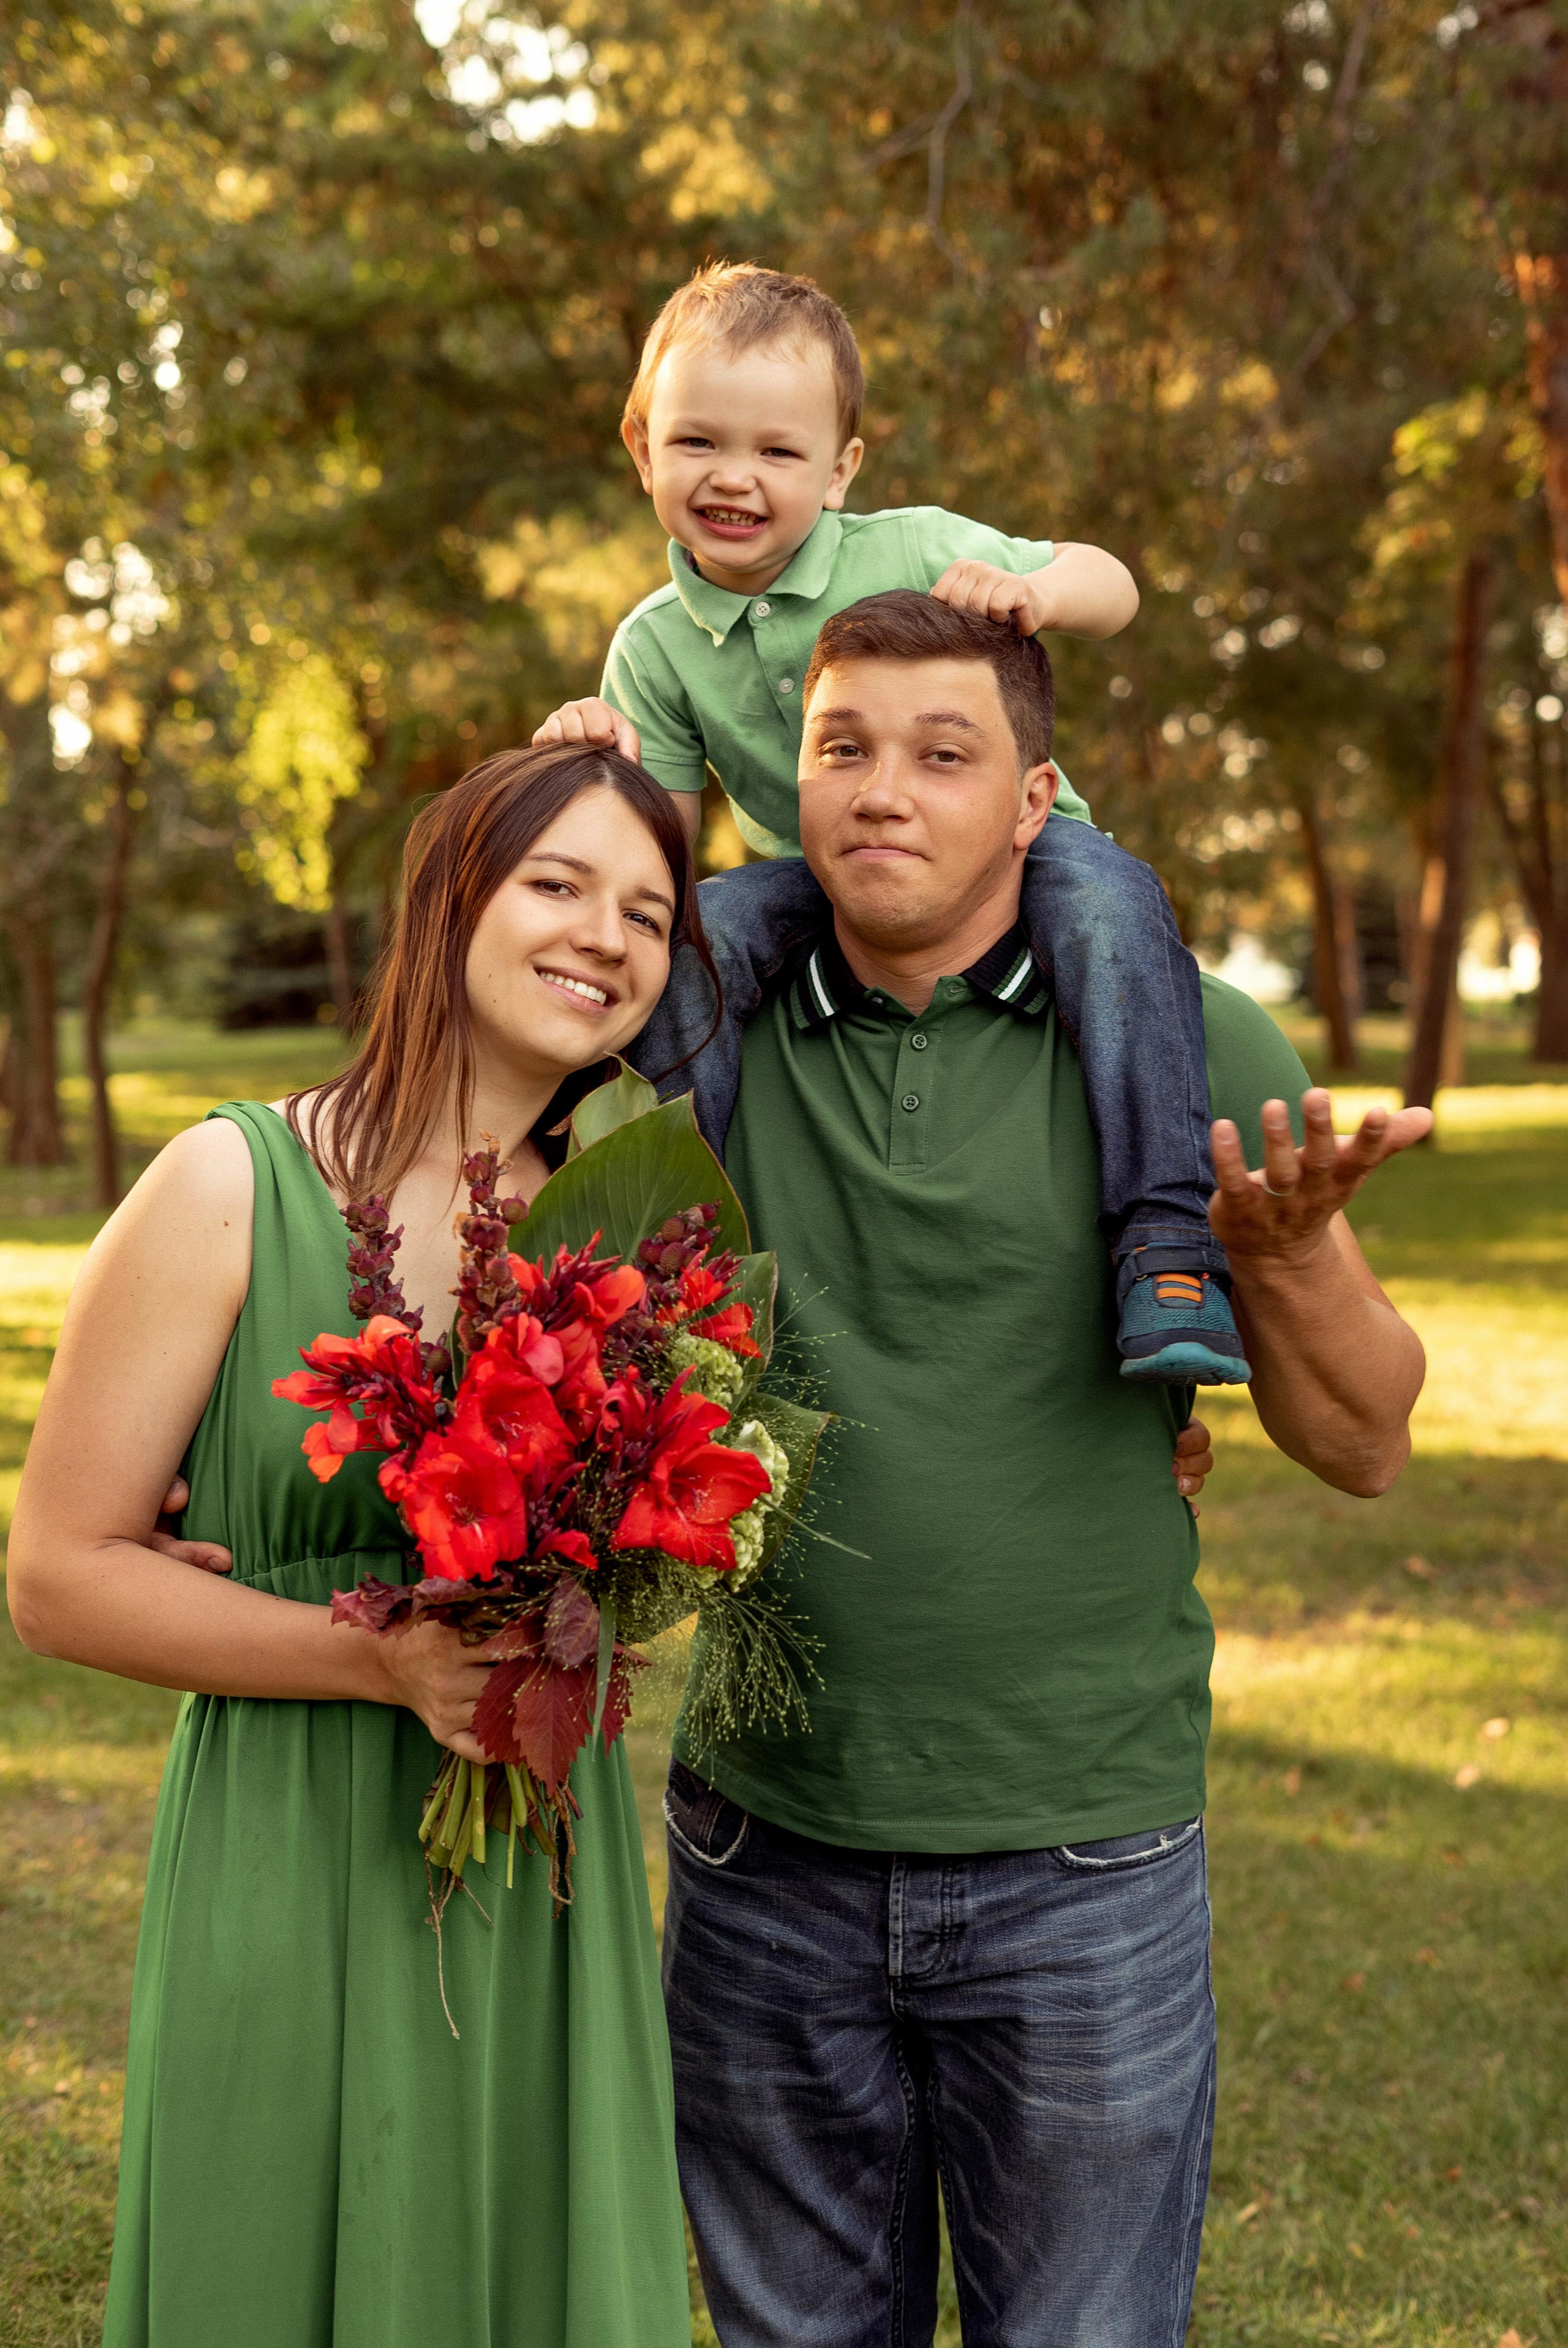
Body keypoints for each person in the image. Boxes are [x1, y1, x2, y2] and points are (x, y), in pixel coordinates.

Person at [628, 591, 1431, 2348]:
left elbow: (1365, 1441)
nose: (883, 793)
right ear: (786, 783)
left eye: (944, 754)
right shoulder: (695, 1040)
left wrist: (1282, 1258)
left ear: (1034, 799)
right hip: (763, 1843)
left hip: (1082, 1862)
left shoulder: (1190, 1044)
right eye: (841, 748)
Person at [6, 749, 701, 2348]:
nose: (607, 933)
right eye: (558, 883)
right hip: (291, 1843)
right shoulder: (229, 1184)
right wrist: (375, 1657)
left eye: (649, 913)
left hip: (538, 1863)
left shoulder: (618, 1239)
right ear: (449, 898)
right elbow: (54, 1575)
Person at [533, 260, 1250, 1386]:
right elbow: (654, 864)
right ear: (640, 448)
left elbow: (1113, 581)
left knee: (1118, 910)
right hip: (824, 874)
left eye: (778, 452)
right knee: (696, 947)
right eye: (698, 444)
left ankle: (1165, 1239)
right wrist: (593, 758)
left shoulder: (911, 549)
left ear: (840, 468)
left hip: (1020, 852)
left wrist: (1041, 596)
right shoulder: (653, 646)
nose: (736, 479)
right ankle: (668, 1256)